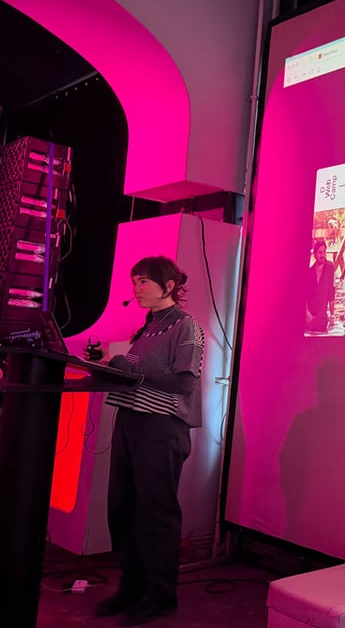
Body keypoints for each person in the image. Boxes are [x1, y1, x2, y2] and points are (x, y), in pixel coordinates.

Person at [92, 256, 205, 626]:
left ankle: (160, 594)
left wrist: (127, 365)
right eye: (134, 281)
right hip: (131, 422)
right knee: (123, 508)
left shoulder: (186, 326)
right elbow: (139, 376)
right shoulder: (149, 326)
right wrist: (106, 363)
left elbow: (183, 383)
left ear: (168, 286)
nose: (136, 288)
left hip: (161, 428)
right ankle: (132, 586)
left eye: (143, 281)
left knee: (156, 513)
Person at [306, 238, 335, 332]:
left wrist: (332, 315)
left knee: (322, 322)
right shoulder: (310, 272)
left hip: (321, 314)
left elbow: (331, 292)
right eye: (320, 252)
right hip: (310, 311)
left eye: (324, 252)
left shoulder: (330, 267)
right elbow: (305, 296)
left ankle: (310, 324)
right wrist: (307, 313)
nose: (323, 255)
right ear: (315, 255)